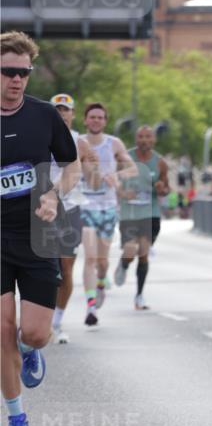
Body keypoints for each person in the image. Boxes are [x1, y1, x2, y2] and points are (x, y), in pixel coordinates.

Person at [1, 32, 80, 426]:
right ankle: (16, 419)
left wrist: (53, 194)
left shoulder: (44, 115)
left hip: (37, 232)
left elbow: (71, 165)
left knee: (33, 333)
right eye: (8, 72)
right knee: (2, 328)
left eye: (24, 73)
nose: (17, 80)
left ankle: (30, 350)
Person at [79, 102, 135, 326]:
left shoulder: (114, 144)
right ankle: (91, 307)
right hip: (85, 206)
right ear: (85, 120)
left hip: (108, 208)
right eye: (92, 117)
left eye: (100, 117)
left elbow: (133, 168)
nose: (96, 120)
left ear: (105, 121)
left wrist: (118, 176)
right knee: (90, 257)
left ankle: (101, 281)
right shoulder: (78, 143)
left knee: (102, 261)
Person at [49, 93, 98, 343]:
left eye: (65, 110)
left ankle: (57, 322)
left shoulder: (79, 141)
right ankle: (41, 316)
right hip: (44, 208)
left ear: (72, 114)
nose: (61, 113)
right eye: (57, 109)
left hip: (71, 208)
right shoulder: (39, 135)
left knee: (65, 267)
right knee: (45, 267)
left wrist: (92, 167)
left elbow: (91, 177)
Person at [114, 125, 169, 310]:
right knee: (131, 250)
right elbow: (113, 183)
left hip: (150, 214)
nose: (144, 140)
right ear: (136, 139)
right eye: (141, 137)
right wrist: (123, 192)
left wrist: (162, 189)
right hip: (129, 213)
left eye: (148, 137)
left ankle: (139, 296)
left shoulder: (160, 162)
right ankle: (124, 263)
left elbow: (166, 188)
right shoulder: (125, 159)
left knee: (143, 253)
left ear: (153, 140)